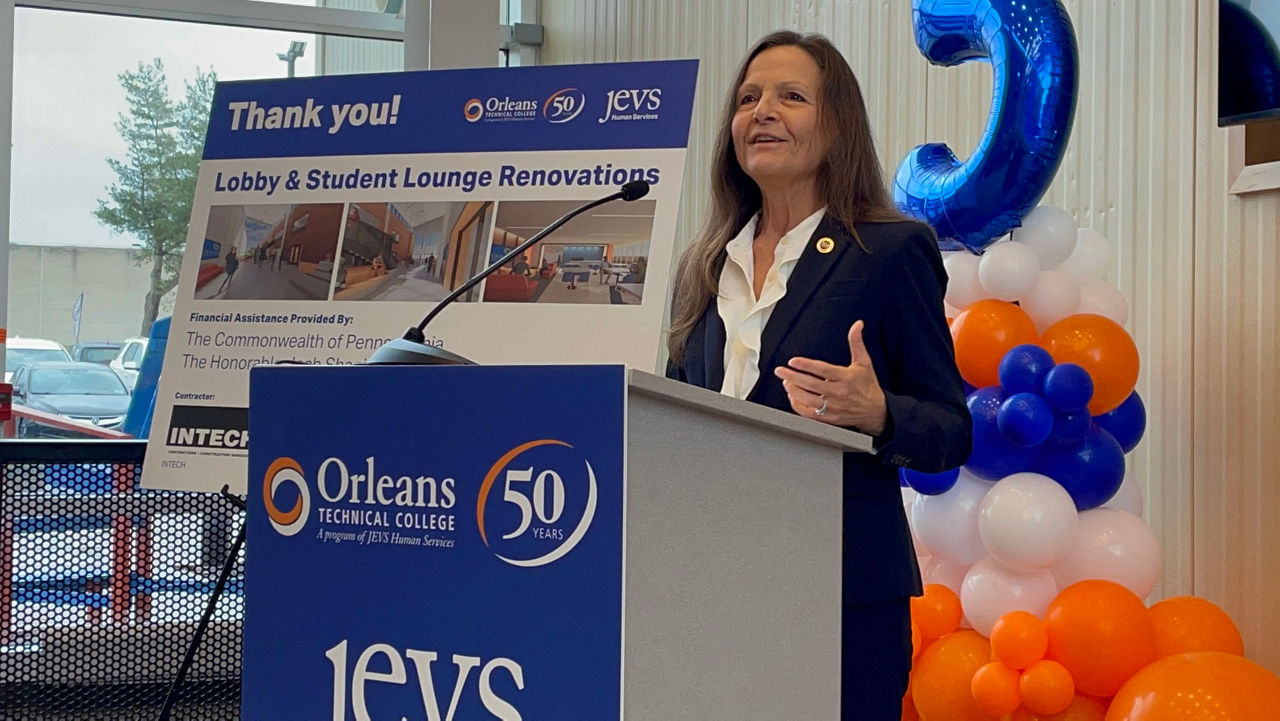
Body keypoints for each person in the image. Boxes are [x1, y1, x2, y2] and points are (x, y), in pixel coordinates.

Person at [664, 31, 971, 720]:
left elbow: (951, 430)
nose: (762, 111)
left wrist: (880, 413)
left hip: (840, 594)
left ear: (837, 127)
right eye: (747, 99)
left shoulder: (890, 252)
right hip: (711, 587)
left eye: (790, 97)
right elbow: (674, 417)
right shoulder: (703, 264)